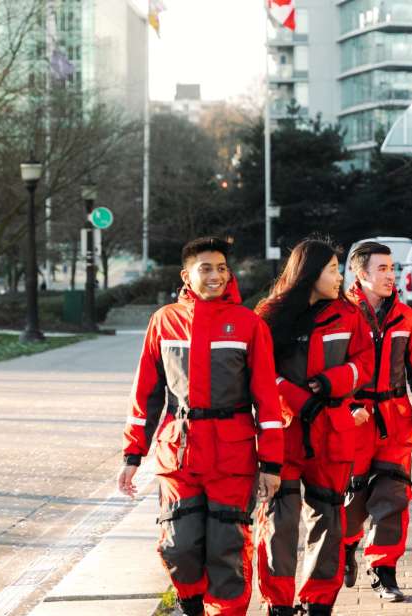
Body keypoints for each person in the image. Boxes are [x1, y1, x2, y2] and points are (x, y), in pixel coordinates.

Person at [117, 236, 283, 616]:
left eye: (221, 268)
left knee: (227, 549)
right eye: (205, 268)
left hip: (233, 454)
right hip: (180, 453)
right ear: (186, 276)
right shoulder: (164, 321)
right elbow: (146, 393)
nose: (215, 276)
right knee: (178, 546)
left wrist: (272, 464)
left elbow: (268, 403)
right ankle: (192, 605)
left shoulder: (248, 324)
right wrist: (132, 454)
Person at [254, 239, 374, 616]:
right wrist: (294, 397)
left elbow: (365, 362)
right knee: (280, 521)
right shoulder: (269, 314)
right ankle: (278, 603)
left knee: (329, 518)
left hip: (332, 433)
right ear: (310, 273)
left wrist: (332, 382)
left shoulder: (348, 315)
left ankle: (318, 602)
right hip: (284, 433)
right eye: (333, 270)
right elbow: (259, 372)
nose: (340, 278)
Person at [340, 242, 412, 602]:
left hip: (395, 422)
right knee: (353, 500)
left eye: (392, 268)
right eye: (382, 268)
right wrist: (350, 405)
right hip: (353, 425)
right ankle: (347, 545)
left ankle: (384, 569)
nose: (390, 275)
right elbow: (331, 369)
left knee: (393, 496)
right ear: (361, 274)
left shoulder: (406, 318)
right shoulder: (342, 315)